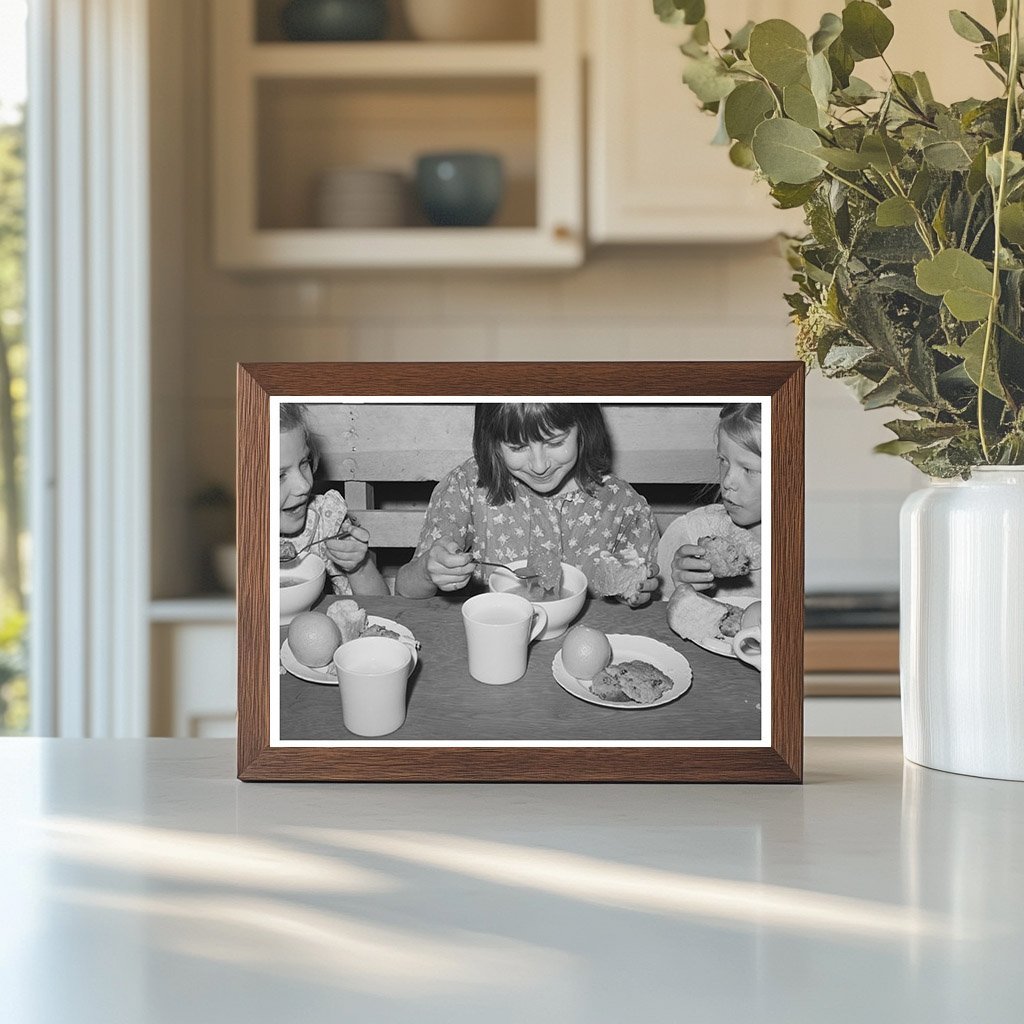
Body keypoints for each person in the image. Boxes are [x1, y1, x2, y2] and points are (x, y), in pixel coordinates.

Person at [396, 403, 660, 605]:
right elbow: (404, 589)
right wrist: (429, 572)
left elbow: (639, 602)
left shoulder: (623, 506)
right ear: (492, 442)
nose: (539, 465)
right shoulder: (466, 486)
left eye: (555, 442)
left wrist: (632, 588)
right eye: (517, 447)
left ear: (584, 427)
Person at [279, 403, 389, 596]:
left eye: (304, 462)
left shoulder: (325, 522)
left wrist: (358, 567)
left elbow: (380, 604)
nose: (304, 486)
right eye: (280, 475)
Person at [658, 403, 762, 601]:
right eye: (723, 460)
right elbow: (657, 610)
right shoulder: (689, 532)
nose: (727, 481)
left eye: (748, 470)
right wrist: (681, 591)